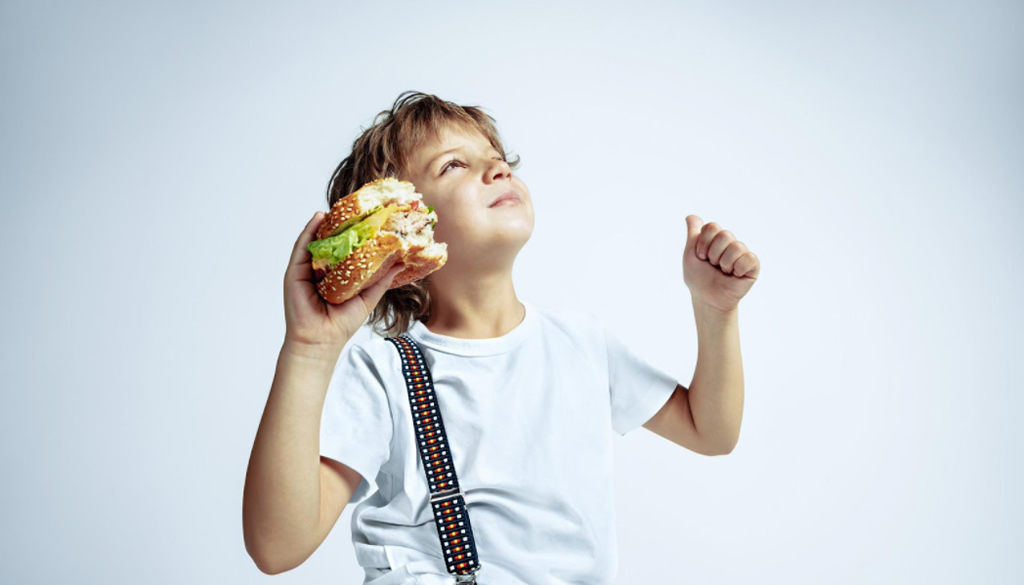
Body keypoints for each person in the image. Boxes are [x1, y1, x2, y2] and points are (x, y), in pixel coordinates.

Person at [242, 91, 757, 584]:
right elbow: (278, 547)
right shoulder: (384, 373)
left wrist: (715, 312)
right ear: (401, 222)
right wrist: (309, 351)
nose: (498, 169)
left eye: (498, 157)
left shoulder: (581, 343)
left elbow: (711, 432)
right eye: (454, 165)